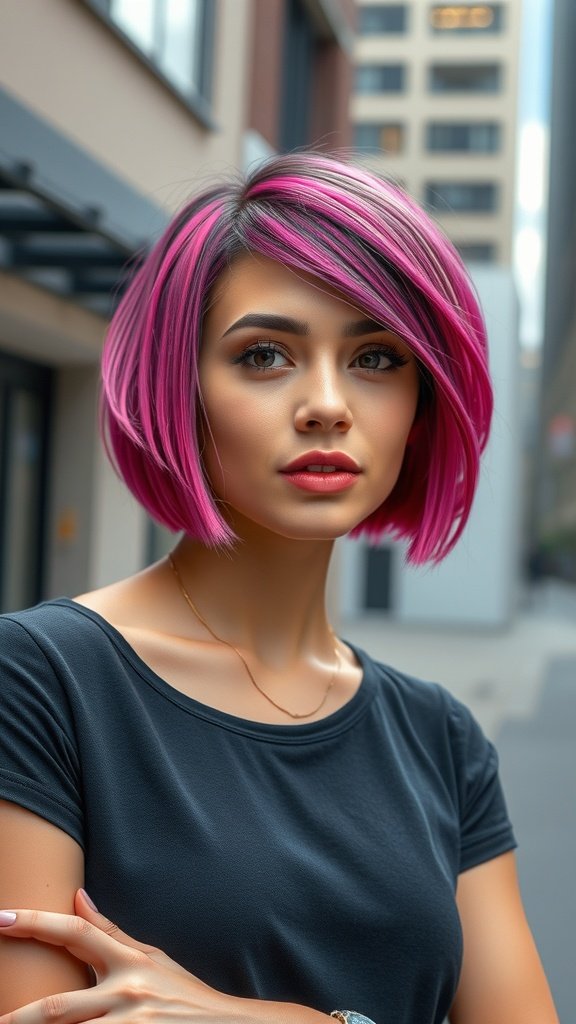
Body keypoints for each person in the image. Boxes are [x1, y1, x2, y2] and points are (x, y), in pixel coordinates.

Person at [0, 153, 558, 1023]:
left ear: (420, 407)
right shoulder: (42, 680)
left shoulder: (440, 739)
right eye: (265, 355)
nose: (328, 404)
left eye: (376, 357)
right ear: (180, 386)